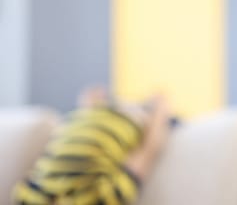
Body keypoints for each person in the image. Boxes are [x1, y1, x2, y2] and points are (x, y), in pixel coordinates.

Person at [12, 87, 171, 205]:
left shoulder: (30, 196)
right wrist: (160, 110)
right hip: (131, 119)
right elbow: (148, 151)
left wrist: (88, 108)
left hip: (85, 115)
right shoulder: (100, 198)